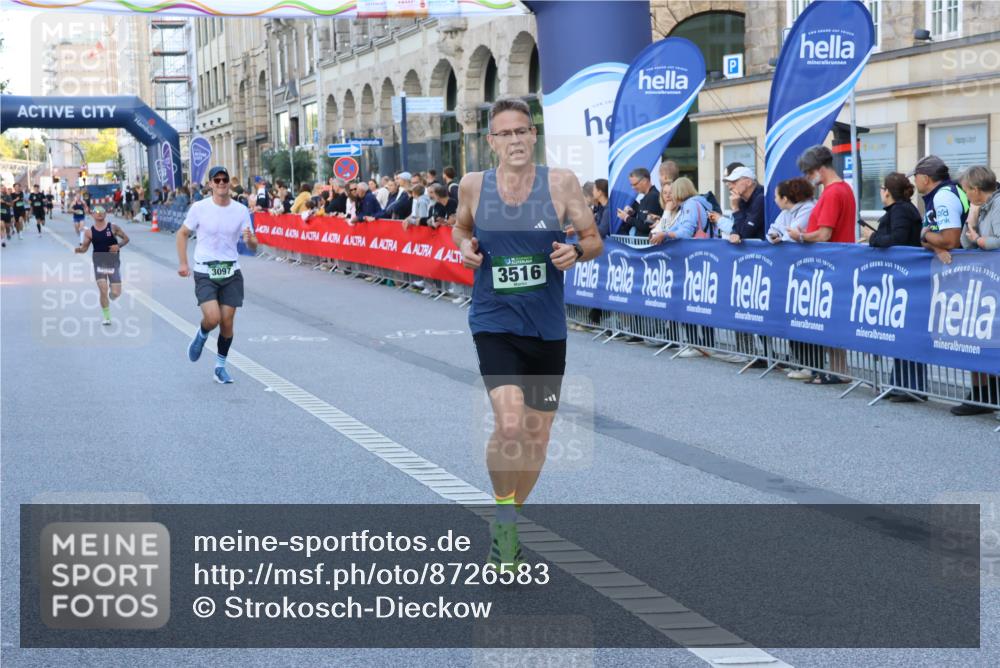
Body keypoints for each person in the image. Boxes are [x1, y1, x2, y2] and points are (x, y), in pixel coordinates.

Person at [452, 98, 603, 570]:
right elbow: (459, 229)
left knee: (537, 437)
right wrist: (465, 248)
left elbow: (594, 239)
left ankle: (508, 522)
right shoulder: (474, 185)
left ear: (533, 135)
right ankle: (504, 518)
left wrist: (577, 252)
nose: (515, 140)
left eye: (522, 131)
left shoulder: (561, 183)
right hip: (493, 322)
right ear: (491, 141)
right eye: (505, 133)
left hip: (546, 327)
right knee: (511, 424)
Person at [176, 166, 258, 384]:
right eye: (217, 180)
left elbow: (253, 245)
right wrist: (183, 263)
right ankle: (202, 334)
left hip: (231, 271)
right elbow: (182, 234)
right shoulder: (199, 208)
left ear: (229, 183)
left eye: (224, 180)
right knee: (213, 318)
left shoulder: (240, 210)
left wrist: (250, 240)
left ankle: (220, 367)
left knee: (227, 323)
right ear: (211, 184)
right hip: (205, 270)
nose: (221, 183)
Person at [790, 144, 856, 385]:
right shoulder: (843, 189)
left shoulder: (832, 193)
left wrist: (799, 236)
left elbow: (824, 234)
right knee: (832, 319)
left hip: (831, 264)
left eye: (809, 172)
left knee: (831, 320)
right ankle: (839, 370)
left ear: (819, 169)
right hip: (837, 262)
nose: (808, 178)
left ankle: (840, 371)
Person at [858, 171, 926, 402]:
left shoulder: (900, 210)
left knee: (906, 332)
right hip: (901, 279)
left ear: (887, 192)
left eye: (882, 188)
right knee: (900, 332)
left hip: (906, 279)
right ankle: (900, 384)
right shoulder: (902, 209)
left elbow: (897, 240)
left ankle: (910, 387)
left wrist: (872, 238)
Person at [951, 165, 1000, 416]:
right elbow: (964, 242)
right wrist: (971, 217)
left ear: (977, 189)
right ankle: (982, 394)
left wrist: (979, 240)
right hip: (983, 283)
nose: (964, 194)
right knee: (979, 338)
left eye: (966, 190)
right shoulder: (980, 206)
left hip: (994, 281)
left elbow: (996, 240)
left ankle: (990, 393)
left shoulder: (998, 205)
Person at [74, 205, 129, 325]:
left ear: (105, 214)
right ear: (92, 215)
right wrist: (79, 250)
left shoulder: (113, 227)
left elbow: (126, 239)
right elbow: (84, 248)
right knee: (103, 290)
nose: (99, 213)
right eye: (96, 211)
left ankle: (113, 293)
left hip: (113, 263)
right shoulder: (89, 232)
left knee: (115, 293)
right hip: (99, 263)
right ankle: (107, 317)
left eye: (102, 211)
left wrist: (118, 246)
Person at [911, 155, 968, 265]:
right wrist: (937, 248)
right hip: (954, 265)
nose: (914, 180)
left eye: (915, 176)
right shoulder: (937, 195)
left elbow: (950, 242)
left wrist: (925, 235)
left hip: (961, 266)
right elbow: (926, 242)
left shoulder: (944, 196)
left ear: (925, 179)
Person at [767, 177, 815, 244]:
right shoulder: (786, 211)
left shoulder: (808, 209)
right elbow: (773, 229)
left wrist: (781, 238)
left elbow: (792, 236)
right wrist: (774, 235)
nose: (775, 200)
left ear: (784, 199)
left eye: (776, 197)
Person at [616, 168, 661, 237]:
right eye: (631, 185)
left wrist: (626, 218)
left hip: (648, 242)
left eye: (635, 184)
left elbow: (647, 226)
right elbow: (644, 219)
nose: (633, 187)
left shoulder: (652, 197)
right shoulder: (649, 196)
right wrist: (634, 213)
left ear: (645, 181)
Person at [724, 166, 765, 243]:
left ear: (748, 182)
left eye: (734, 182)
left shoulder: (761, 198)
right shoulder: (741, 200)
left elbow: (746, 233)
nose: (730, 187)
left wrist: (735, 208)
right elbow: (737, 228)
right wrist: (734, 233)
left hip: (765, 249)